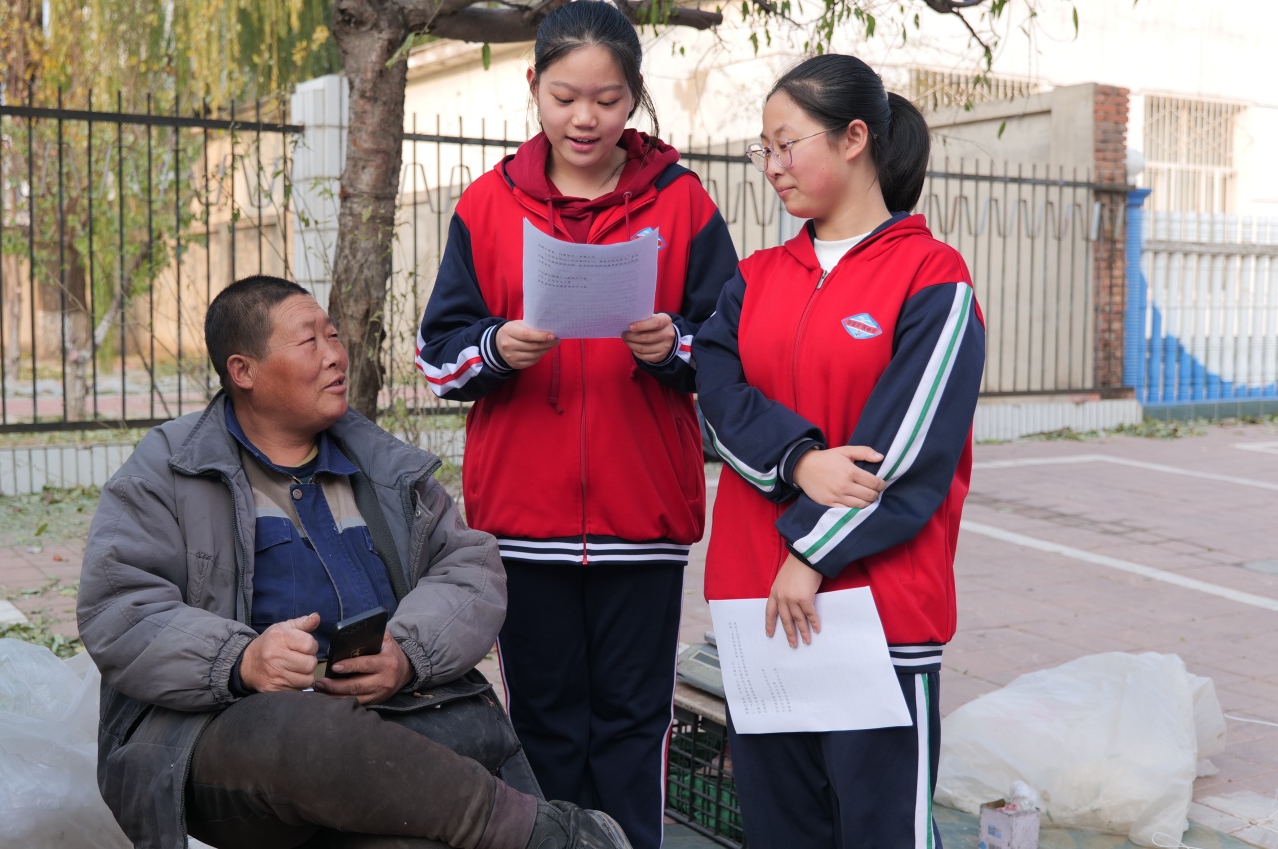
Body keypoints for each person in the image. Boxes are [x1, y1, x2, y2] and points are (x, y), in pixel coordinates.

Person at [77, 275, 633, 849]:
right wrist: (241, 660)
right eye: (309, 342)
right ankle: (543, 835)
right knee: (300, 728)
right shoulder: (169, 470)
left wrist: (407, 655)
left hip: (386, 736)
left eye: (334, 335)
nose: (335, 356)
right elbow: (120, 607)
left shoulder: (380, 465)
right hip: (220, 740)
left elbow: (469, 568)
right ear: (243, 371)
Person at [414, 4, 738, 848]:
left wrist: (675, 347)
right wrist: (496, 347)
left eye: (605, 97)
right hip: (524, 525)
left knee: (635, 722)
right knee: (546, 724)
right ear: (534, 90)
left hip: (643, 521)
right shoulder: (486, 207)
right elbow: (438, 356)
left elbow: (736, 353)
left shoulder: (684, 204)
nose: (584, 118)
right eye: (564, 97)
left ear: (633, 98)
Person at [695, 54, 987, 849]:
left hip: (878, 610)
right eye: (763, 148)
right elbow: (719, 401)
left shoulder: (934, 278)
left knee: (881, 830)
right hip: (760, 604)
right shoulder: (752, 280)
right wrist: (798, 461)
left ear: (855, 137)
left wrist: (812, 552)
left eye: (786, 144)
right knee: (779, 827)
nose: (771, 166)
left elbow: (910, 445)